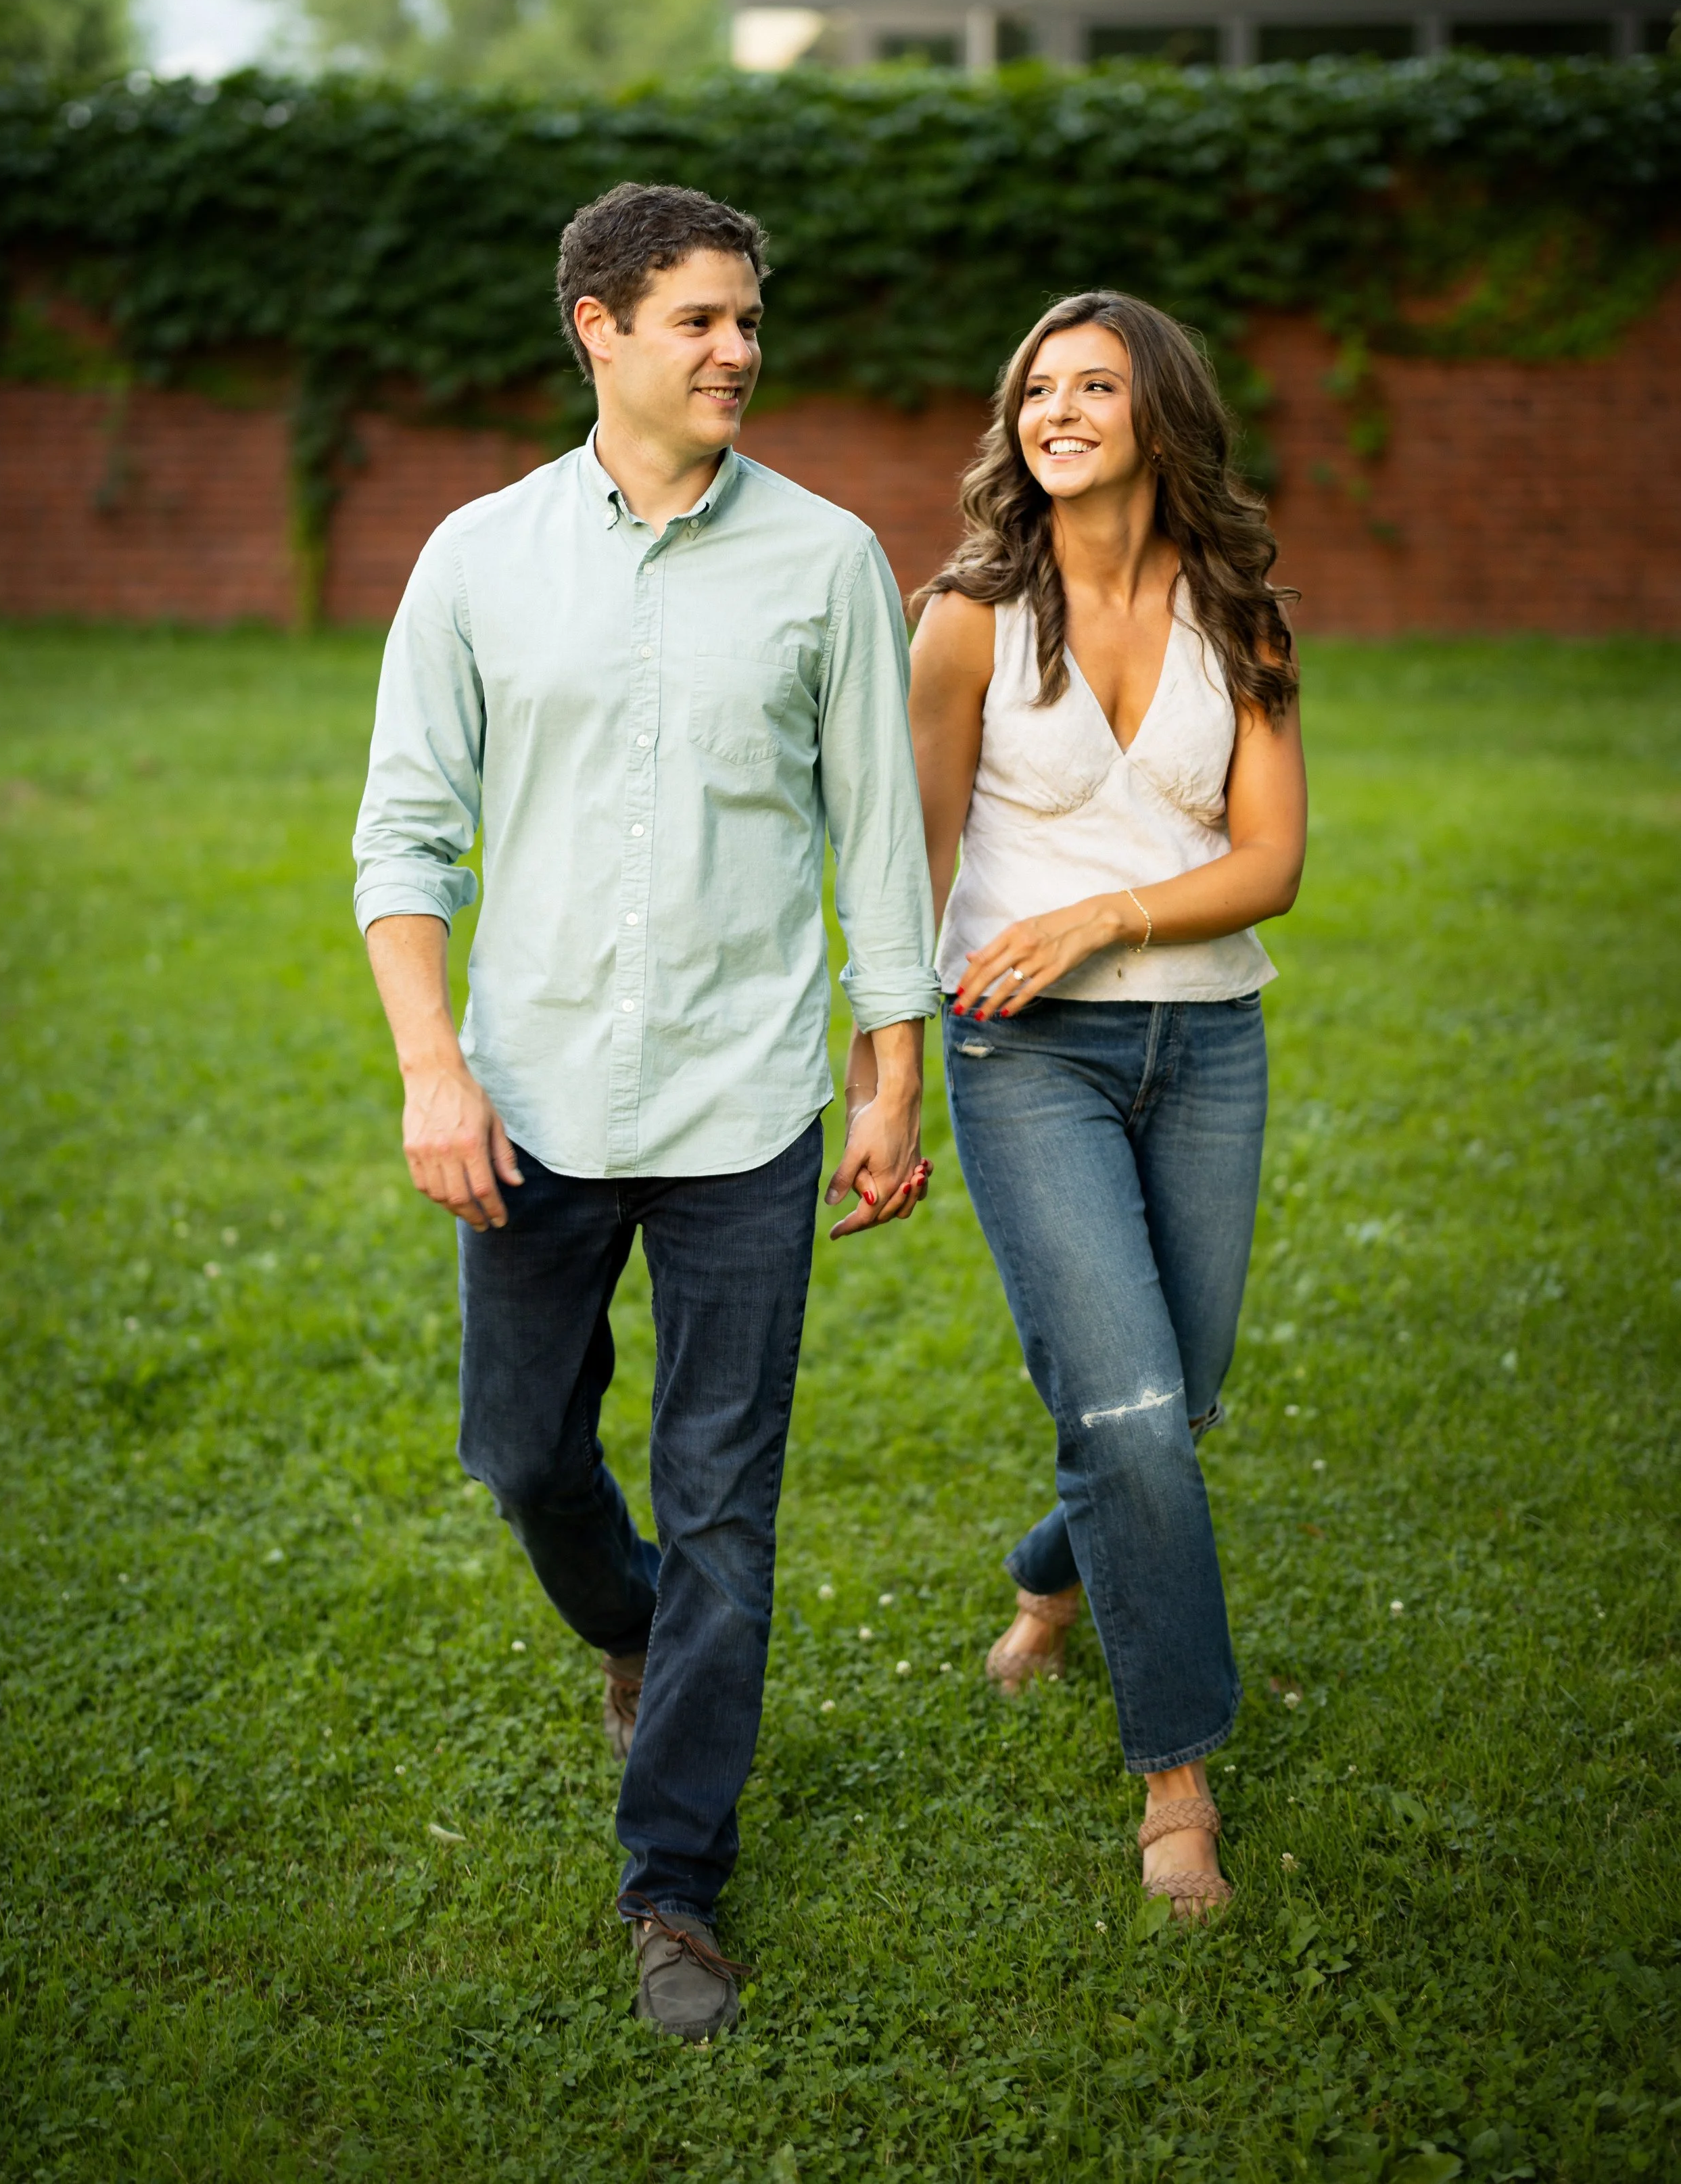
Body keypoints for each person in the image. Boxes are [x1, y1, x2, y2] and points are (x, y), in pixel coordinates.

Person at [352, 182, 938, 2038]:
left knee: (727, 1503)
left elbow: (876, 835)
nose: (738, 350)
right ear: (595, 327)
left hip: (743, 1108)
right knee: (523, 1454)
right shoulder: (475, 556)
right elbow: (401, 828)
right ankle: (626, 1621)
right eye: (698, 319)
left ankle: (671, 1880)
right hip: (523, 1100)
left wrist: (888, 1068)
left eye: (749, 319)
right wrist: (431, 1065)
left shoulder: (832, 558)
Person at [900, 289, 1306, 1918]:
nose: (1055, 406)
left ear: (1161, 414)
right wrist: (884, 1077)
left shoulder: (1244, 615)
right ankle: (1178, 1783)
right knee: (1130, 1414)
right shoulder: (965, 617)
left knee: (1174, 1401)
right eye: (1034, 387)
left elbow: (1270, 860)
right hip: (1028, 1058)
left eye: (1092, 382)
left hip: (1206, 1046)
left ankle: (1048, 1587)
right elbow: (911, 865)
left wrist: (1103, 911)